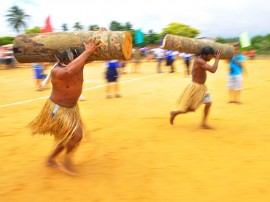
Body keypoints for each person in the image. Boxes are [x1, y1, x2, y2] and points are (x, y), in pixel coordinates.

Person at [28, 31, 105, 175]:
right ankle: (66, 161)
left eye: (74, 54)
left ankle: (51, 159)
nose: (74, 56)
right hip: (58, 109)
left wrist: (101, 36)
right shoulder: (57, 71)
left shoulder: (78, 62)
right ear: (61, 58)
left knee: (66, 138)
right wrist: (87, 52)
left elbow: (91, 55)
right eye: (70, 55)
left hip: (71, 108)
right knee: (76, 136)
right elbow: (69, 71)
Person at [169, 47, 223, 129]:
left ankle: (203, 123)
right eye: (210, 56)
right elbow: (213, 70)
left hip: (203, 88)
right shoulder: (199, 61)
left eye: (212, 56)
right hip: (195, 88)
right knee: (189, 109)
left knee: (208, 104)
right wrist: (217, 58)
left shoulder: (202, 58)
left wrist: (214, 54)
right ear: (204, 55)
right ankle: (174, 113)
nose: (211, 57)